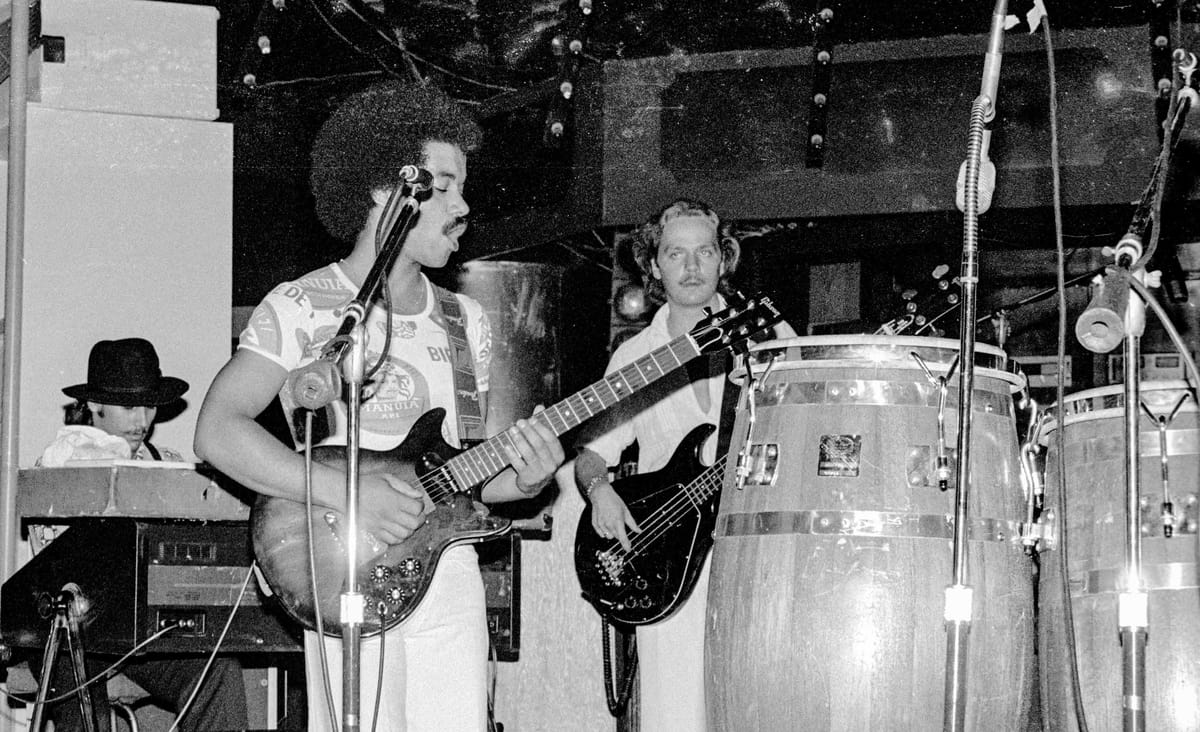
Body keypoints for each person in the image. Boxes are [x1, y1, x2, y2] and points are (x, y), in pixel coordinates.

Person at [193, 81, 564, 731]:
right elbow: (217, 432)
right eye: (443, 187)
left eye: (463, 188)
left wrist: (527, 479)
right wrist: (346, 492)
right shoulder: (304, 304)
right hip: (343, 565)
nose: (463, 206)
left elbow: (468, 475)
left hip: (448, 573)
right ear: (383, 188)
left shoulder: (465, 320)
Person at [573, 199, 791, 731]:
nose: (692, 267)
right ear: (654, 266)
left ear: (723, 259)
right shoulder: (634, 357)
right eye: (676, 254)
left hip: (752, 546)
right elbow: (592, 456)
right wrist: (600, 491)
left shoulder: (767, 335)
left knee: (753, 706)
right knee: (673, 713)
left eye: (705, 252)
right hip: (669, 556)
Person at [32, 337, 250, 732]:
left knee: (218, 671)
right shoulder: (60, 461)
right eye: (129, 407)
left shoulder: (167, 464)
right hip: (72, 631)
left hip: (140, 632)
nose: (142, 420)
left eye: (149, 406)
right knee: (84, 704)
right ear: (94, 404)